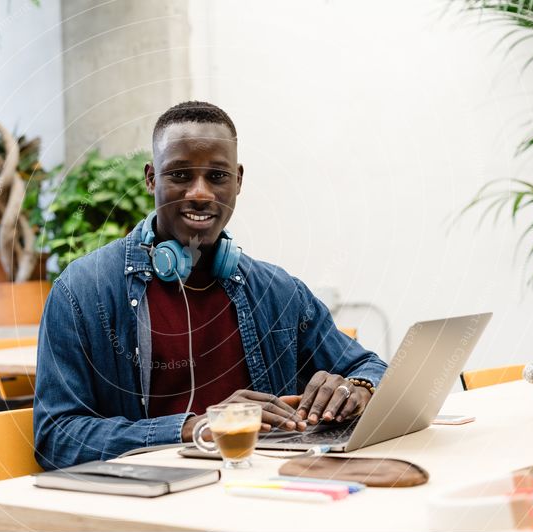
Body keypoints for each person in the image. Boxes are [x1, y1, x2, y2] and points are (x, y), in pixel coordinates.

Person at [34, 101, 387, 469]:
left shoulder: (278, 292)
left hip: (263, 490)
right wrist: (192, 429)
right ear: (152, 178)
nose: (200, 193)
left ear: (238, 180)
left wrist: (358, 389)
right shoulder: (83, 291)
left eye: (217, 176)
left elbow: (373, 368)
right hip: (149, 500)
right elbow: (56, 437)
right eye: (180, 175)